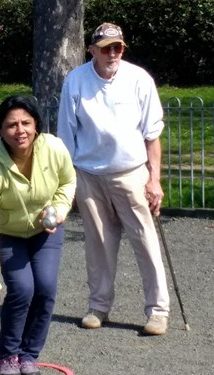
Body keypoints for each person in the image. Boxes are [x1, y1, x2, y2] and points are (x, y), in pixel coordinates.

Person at [57, 22, 170, 335]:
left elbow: (152, 134)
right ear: (92, 50)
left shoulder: (139, 79)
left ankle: (158, 312)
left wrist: (154, 179)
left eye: (117, 47)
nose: (112, 53)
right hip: (89, 175)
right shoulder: (75, 80)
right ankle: (98, 306)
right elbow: (66, 134)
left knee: (146, 242)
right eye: (105, 48)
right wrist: (68, 183)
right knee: (98, 245)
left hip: (132, 173)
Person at [0, 95, 76, 375]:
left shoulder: (54, 148)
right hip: (9, 234)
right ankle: (8, 355)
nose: (20, 130)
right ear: (0, 130)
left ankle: (29, 355)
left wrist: (57, 210)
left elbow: (68, 182)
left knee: (45, 289)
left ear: (36, 125)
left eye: (26, 123)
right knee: (21, 290)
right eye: (11, 125)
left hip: (46, 231)